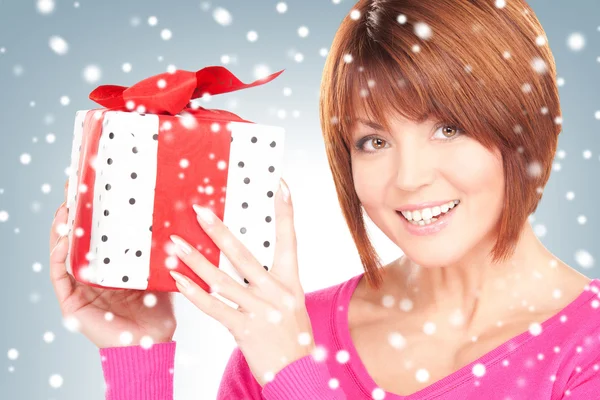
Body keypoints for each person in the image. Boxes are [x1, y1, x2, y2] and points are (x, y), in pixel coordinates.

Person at [49, 0, 600, 399]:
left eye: (449, 128)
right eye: (374, 141)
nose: (408, 178)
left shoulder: (588, 350)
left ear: (527, 126)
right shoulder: (284, 330)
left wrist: (294, 373)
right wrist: (138, 359)